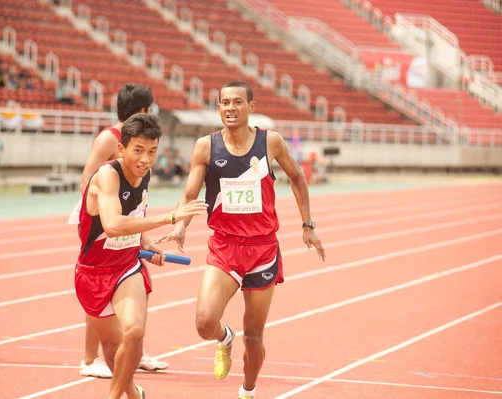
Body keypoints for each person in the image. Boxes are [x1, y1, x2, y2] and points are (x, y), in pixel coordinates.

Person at [156, 81, 326, 399]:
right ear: (218, 108)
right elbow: (191, 192)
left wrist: (307, 225)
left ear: (251, 106)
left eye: (237, 102)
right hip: (224, 246)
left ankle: (247, 391)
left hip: (262, 250)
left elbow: (297, 178)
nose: (230, 108)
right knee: (205, 322)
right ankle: (224, 338)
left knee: (255, 337)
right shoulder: (206, 147)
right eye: (224, 102)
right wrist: (180, 224)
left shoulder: (269, 142)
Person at [74, 114, 207, 399]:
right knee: (111, 348)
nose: (145, 159)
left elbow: (135, 216)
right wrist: (170, 217)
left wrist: (146, 242)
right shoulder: (108, 175)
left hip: (125, 267)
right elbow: (112, 225)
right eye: (138, 150)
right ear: (121, 149)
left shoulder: (144, 174)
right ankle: (134, 394)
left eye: (152, 151)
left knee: (133, 333)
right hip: (93, 273)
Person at [69, 83, 170, 378]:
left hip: (126, 220)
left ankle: (132, 346)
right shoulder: (108, 139)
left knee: (136, 283)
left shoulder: (143, 149)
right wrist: (101, 217)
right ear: (142, 110)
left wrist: (140, 235)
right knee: (99, 287)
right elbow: (87, 180)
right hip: (101, 221)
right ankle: (91, 358)